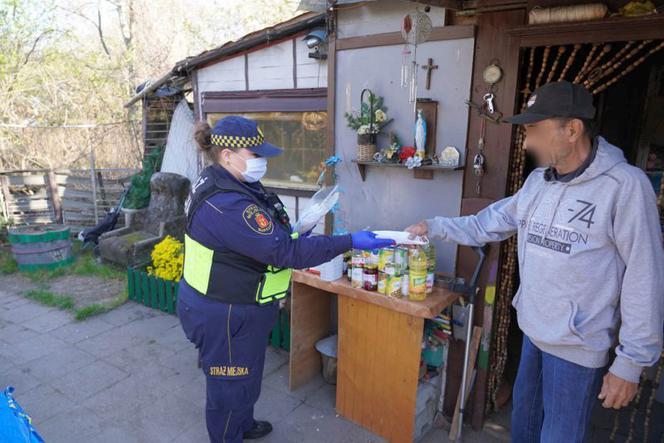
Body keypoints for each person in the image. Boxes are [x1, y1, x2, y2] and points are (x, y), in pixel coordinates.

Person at [406, 81, 664, 443]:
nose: (526, 143)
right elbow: (487, 223)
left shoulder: (625, 188)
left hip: (577, 347)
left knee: (560, 435)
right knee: (524, 427)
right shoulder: (537, 184)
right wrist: (433, 227)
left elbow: (645, 277)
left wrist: (631, 362)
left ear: (572, 130)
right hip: (533, 332)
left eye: (534, 131)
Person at [177, 115, 393, 443]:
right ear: (227, 155)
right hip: (225, 312)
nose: (262, 162)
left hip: (236, 303)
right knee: (228, 386)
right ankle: (227, 436)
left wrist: (292, 229)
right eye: (255, 155)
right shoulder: (227, 203)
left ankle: (243, 424)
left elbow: (262, 235)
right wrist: (349, 242)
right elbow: (285, 253)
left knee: (244, 375)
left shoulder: (228, 180)